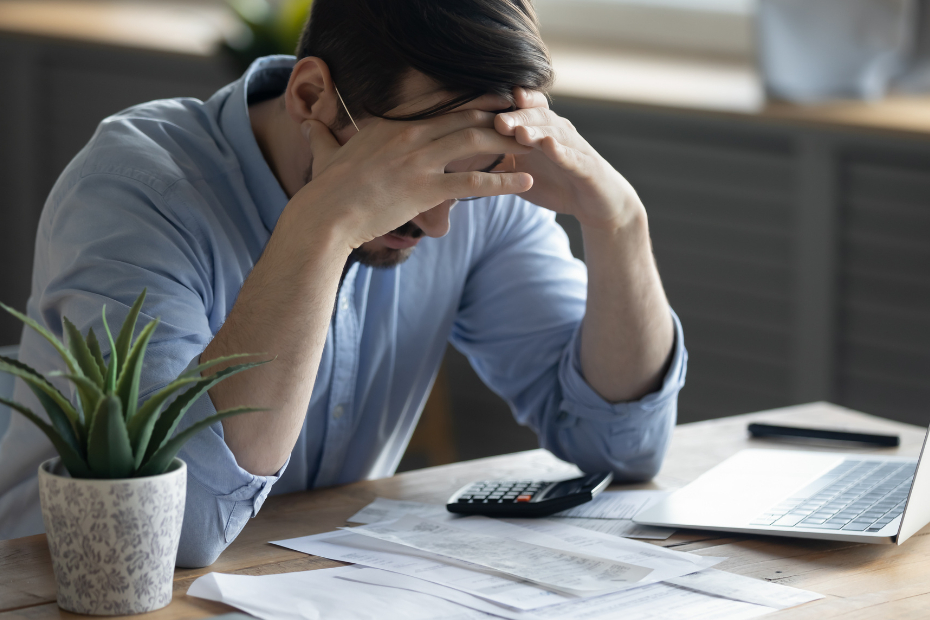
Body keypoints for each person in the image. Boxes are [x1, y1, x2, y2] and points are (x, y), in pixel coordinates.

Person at [0, 0, 686, 566]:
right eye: (417, 165)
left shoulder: (482, 194)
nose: (441, 223)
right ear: (310, 97)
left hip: (303, 583)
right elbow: (173, 529)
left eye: (468, 174)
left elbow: (619, 446)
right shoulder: (134, 190)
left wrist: (619, 220)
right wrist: (321, 228)